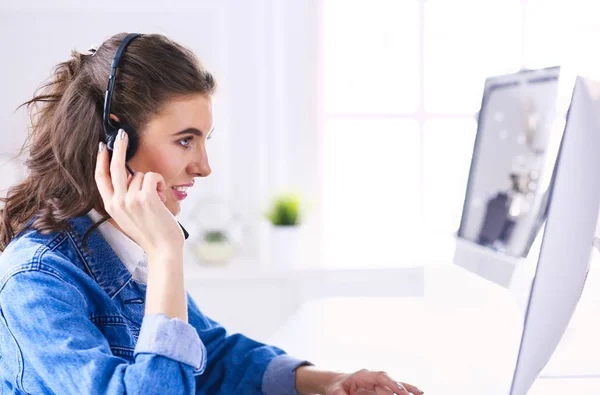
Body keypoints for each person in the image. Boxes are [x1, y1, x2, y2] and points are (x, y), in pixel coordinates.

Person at [0, 32, 423, 395]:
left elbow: (208, 353)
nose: (203, 166)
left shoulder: (121, 242)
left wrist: (329, 381)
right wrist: (167, 254)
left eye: (204, 140)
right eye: (185, 141)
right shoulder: (35, 281)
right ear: (116, 140)